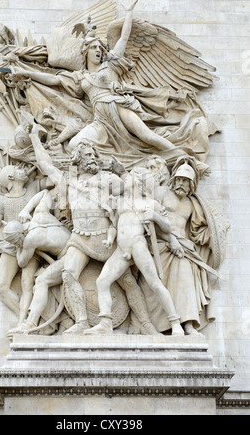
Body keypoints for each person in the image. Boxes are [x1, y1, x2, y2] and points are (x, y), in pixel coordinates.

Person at [17, 125, 161, 335]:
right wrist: (34, 137)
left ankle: (146, 324)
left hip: (106, 238)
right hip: (80, 239)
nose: (92, 157)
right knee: (68, 274)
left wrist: (123, 172)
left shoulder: (107, 179)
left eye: (94, 154)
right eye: (87, 154)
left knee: (128, 280)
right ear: (77, 159)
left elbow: (133, 191)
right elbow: (46, 165)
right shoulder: (69, 182)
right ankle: (80, 321)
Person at [11, 0, 187, 158]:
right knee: (73, 145)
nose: (98, 51)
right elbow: (54, 80)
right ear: (86, 52)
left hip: (118, 107)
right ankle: (104, 165)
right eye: (94, 48)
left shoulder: (110, 65)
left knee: (146, 135)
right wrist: (27, 74)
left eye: (100, 49)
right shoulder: (81, 77)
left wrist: (129, 12)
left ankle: (184, 158)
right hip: (100, 119)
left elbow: (124, 39)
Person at [84, 166, 184, 336]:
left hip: (138, 246)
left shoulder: (150, 204)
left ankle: (175, 324)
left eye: (129, 177)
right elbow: (114, 226)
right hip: (122, 249)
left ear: (138, 181)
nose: (125, 179)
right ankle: (105, 323)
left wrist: (155, 216)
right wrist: (109, 239)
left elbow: (167, 227)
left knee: (155, 284)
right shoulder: (120, 202)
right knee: (102, 282)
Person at [141, 156, 223, 336]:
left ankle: (188, 325)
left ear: (192, 185)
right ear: (173, 179)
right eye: (178, 180)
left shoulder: (191, 204)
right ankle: (157, 324)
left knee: (186, 281)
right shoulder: (161, 193)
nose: (180, 184)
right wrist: (171, 239)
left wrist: (216, 232)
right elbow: (147, 214)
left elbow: (196, 232)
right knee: (156, 284)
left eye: (185, 182)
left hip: (184, 250)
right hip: (160, 244)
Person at [0, 164, 52, 327]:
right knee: (0, 286)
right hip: (10, 246)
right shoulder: (2, 201)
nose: (22, 170)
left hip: (30, 244)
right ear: (11, 178)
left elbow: (51, 179)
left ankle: (27, 322)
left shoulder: (33, 189)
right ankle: (26, 319)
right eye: (17, 169)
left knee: (27, 284)